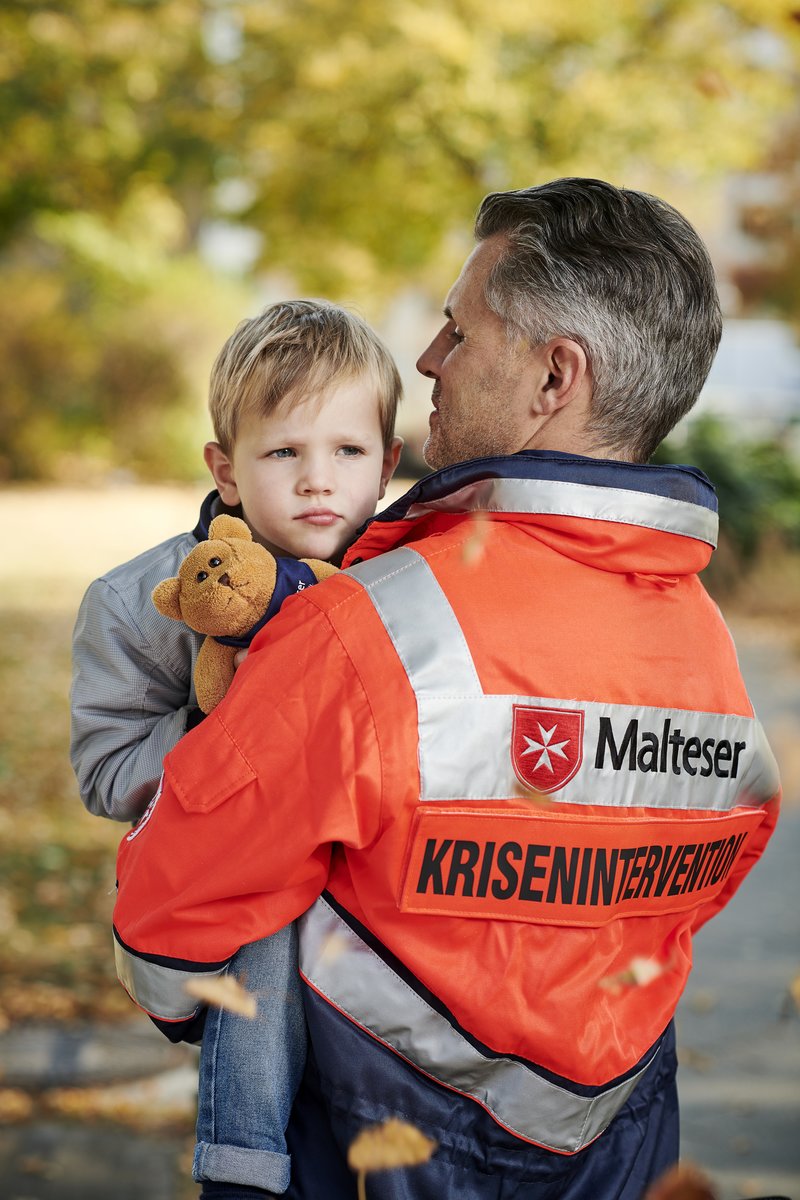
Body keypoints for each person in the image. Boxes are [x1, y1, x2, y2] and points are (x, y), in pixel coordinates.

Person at [111, 179, 781, 1200]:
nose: (425, 358)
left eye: (457, 331)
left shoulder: (369, 626)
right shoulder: (704, 645)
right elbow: (702, 878)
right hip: (627, 1139)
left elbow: (172, 912)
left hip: (385, 1146)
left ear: (555, 376)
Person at [70, 298, 403, 1197]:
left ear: (388, 465)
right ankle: (240, 1167)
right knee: (269, 935)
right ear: (226, 469)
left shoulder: (401, 593)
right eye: (284, 451)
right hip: (228, 891)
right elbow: (105, 770)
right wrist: (246, 734)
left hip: (376, 912)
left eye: (347, 451)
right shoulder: (138, 600)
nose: (317, 481)